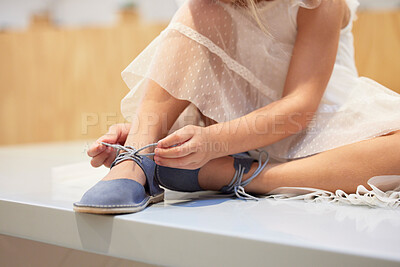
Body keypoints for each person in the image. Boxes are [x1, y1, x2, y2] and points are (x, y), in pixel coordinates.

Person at [73, 0, 400, 214]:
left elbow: (301, 106)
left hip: (314, 128)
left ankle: (231, 174)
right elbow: (205, 81)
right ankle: (140, 156)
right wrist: (154, 134)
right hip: (236, 126)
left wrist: (216, 143)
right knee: (200, 9)